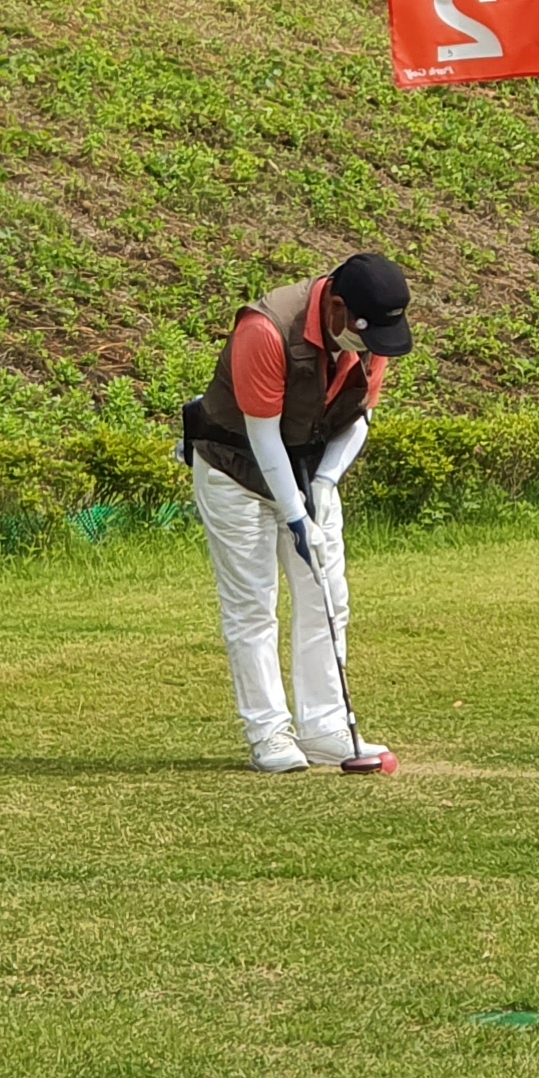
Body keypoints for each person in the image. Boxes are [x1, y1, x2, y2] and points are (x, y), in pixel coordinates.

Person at [176, 251, 415, 776]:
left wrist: (325, 486)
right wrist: (295, 516)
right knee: (254, 605)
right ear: (334, 307)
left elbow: (358, 418)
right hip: (233, 470)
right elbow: (262, 434)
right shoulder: (264, 330)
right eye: (361, 335)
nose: (370, 350)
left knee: (326, 593)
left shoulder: (374, 333)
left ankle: (326, 727)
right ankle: (269, 734)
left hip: (308, 466)